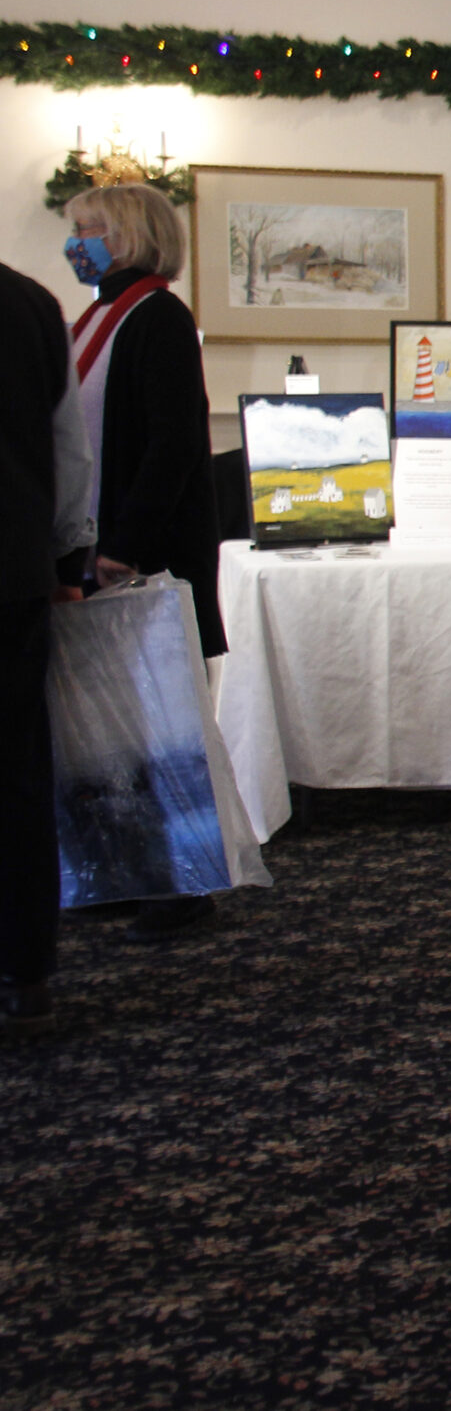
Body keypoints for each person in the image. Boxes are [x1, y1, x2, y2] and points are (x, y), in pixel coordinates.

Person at [61, 184, 225, 944]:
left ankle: (181, 885)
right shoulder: (97, 315)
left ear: (129, 236)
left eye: (90, 229)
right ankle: (123, 871)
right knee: (111, 729)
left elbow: (172, 443)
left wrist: (123, 542)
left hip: (142, 552)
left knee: (161, 728)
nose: (78, 243)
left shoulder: (157, 314)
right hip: (97, 545)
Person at [1, 261, 94, 1042]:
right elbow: (70, 453)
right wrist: (68, 562)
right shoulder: (31, 304)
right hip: (13, 573)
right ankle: (27, 973)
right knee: (19, 774)